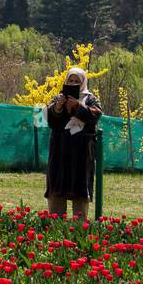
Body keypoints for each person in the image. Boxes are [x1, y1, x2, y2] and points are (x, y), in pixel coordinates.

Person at [45, 67, 102, 219]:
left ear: (83, 82)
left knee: (80, 191)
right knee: (57, 188)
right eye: (71, 80)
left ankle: (80, 228)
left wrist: (78, 106)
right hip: (60, 152)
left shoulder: (90, 99)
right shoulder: (58, 98)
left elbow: (96, 115)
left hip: (81, 153)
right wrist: (57, 107)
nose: (74, 83)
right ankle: (55, 225)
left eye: (77, 81)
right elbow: (49, 119)